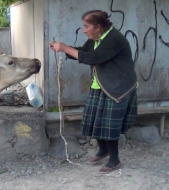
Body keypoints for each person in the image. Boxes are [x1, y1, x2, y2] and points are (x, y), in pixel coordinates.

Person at [49, 10, 138, 174]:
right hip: (102, 84)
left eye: (86, 26)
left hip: (119, 87)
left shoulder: (114, 39)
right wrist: (62, 49)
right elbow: (85, 54)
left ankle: (114, 159)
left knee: (110, 125)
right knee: (94, 120)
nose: (84, 30)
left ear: (97, 27)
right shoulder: (95, 38)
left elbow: (92, 59)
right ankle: (103, 150)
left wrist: (66, 48)